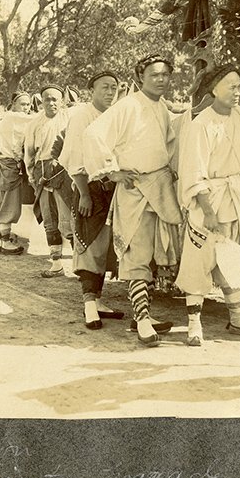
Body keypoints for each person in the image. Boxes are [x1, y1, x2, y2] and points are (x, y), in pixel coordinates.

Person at [83, 54, 181, 348]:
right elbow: (93, 134)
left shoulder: (162, 106)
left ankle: (144, 316)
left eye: (165, 74)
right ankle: (142, 320)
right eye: (154, 75)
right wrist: (112, 172)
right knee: (137, 255)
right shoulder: (127, 105)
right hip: (136, 189)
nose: (161, 79)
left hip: (160, 188)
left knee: (155, 254)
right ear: (140, 78)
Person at [176, 65, 240, 345]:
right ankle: (194, 323)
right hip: (207, 201)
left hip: (234, 197)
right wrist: (207, 211)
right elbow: (193, 172)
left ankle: (236, 317)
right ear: (214, 89)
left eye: (239, 86)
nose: (236, 91)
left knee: (232, 257)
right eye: (230, 86)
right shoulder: (200, 124)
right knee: (200, 260)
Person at [58, 71, 125, 329]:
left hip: (113, 188)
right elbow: (75, 158)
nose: (110, 92)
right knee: (90, 245)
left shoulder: (116, 115)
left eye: (114, 88)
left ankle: (97, 301)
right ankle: (89, 305)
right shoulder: (81, 116)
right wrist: (84, 193)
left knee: (107, 246)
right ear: (92, 91)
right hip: (90, 188)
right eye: (105, 88)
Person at [24, 85, 74, 276]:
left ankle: (80, 265)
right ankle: (56, 264)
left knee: (68, 218)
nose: (51, 103)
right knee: (49, 219)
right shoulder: (34, 123)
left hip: (64, 171)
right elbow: (29, 152)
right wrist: (32, 175)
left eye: (55, 99)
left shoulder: (69, 118)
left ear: (61, 101)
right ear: (41, 101)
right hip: (42, 173)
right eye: (47, 99)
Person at [0, 91, 32, 254]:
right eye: (23, 104)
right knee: (9, 202)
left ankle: (1, 239)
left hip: (4, 162)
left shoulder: (12, 118)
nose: (26, 108)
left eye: (28, 104)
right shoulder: (13, 117)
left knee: (3, 201)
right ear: (13, 105)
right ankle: (5, 243)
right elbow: (39, 119)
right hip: (7, 163)